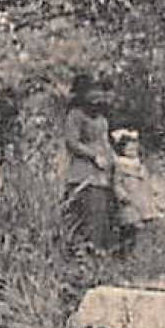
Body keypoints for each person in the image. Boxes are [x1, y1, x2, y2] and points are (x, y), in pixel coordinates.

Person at [63, 73, 118, 254]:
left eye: (97, 92)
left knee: (103, 209)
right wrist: (93, 155)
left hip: (104, 169)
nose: (95, 97)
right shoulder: (75, 115)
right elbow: (72, 142)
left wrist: (113, 157)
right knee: (88, 207)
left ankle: (103, 249)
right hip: (83, 169)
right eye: (90, 93)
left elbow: (105, 140)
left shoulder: (101, 116)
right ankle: (84, 249)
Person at [110, 129, 158, 255]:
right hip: (128, 201)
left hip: (139, 199)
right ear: (122, 150)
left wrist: (149, 193)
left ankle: (133, 251)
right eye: (129, 150)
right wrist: (122, 195)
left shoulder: (139, 165)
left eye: (134, 150)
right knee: (128, 225)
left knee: (138, 227)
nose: (132, 153)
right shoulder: (120, 165)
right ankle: (123, 252)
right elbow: (117, 183)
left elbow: (146, 181)